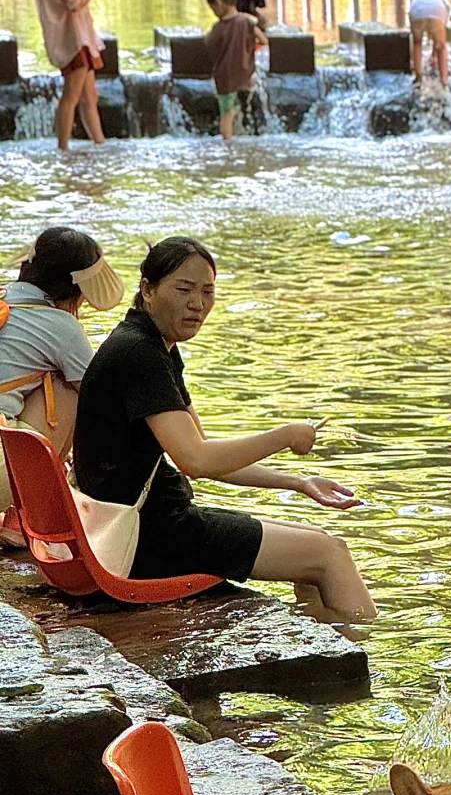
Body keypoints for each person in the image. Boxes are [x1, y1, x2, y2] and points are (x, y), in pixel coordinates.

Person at [72, 237, 376, 628]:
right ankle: (365, 660)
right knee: (329, 554)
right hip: (153, 538)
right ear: (148, 289)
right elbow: (196, 461)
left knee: (316, 548)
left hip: (151, 525)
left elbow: (208, 456)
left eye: (207, 291)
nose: (197, 303)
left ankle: (332, 648)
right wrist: (286, 435)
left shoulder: (154, 347)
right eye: (183, 289)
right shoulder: (140, 355)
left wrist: (297, 482)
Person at [0, 227, 124, 547]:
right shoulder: (63, 328)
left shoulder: (2, 300)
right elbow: (107, 402)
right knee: (73, 385)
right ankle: (24, 513)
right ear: (77, 290)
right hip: (2, 470)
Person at [34, 0, 108, 152]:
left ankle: (100, 144)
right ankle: (63, 148)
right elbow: (74, 4)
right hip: (75, 39)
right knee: (72, 96)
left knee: (89, 96)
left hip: (76, 38)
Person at [205, 0, 266, 141]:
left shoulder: (218, 28)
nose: (214, 13)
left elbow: (209, 47)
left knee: (227, 113)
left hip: (225, 77)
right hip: (245, 74)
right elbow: (264, 40)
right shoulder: (247, 22)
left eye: (213, 9)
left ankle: (228, 144)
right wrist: (250, 48)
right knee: (246, 101)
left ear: (218, 3)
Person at [409, 0, 449, 88]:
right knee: (441, 46)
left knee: (417, 42)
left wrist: (433, 55)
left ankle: (417, 75)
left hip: (417, 11)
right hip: (437, 10)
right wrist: (435, 55)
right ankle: (444, 81)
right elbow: (440, 30)